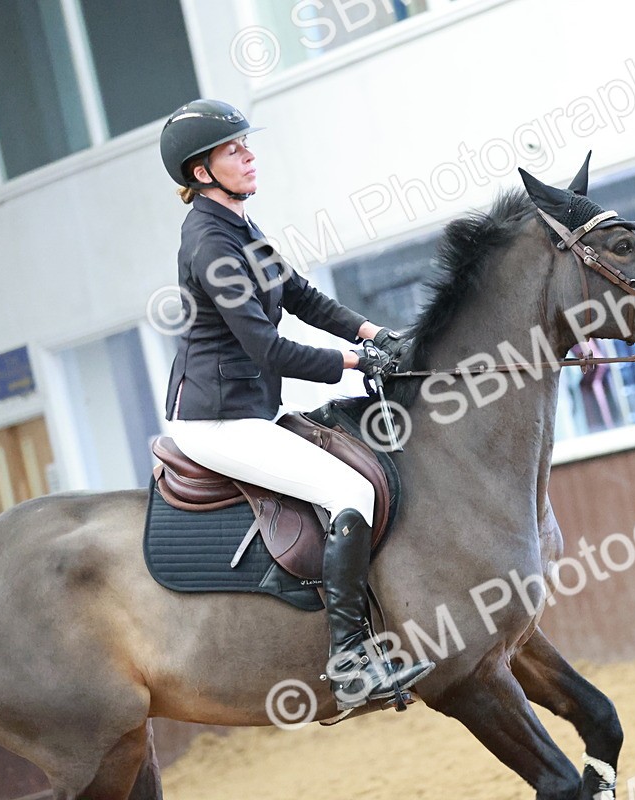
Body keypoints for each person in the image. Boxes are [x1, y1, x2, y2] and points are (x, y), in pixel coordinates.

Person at [158, 99, 431, 710]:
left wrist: (374, 335)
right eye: (234, 151)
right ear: (201, 171)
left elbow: (303, 297)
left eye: (246, 146)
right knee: (351, 493)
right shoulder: (209, 242)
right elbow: (266, 345)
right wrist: (356, 365)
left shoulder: (239, 227)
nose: (249, 156)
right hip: (217, 422)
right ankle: (350, 659)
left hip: (250, 409)